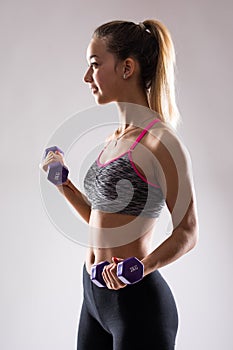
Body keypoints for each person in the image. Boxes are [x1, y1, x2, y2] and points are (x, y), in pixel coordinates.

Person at [42, 19, 199, 350]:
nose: (87, 77)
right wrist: (63, 182)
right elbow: (104, 221)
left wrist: (141, 268)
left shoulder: (161, 142)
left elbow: (188, 232)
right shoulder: (113, 140)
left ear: (127, 67)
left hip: (137, 305)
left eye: (95, 65)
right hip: (93, 298)